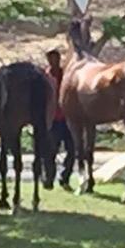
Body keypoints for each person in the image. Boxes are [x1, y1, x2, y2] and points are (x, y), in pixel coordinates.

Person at [45, 48, 74, 189]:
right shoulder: (44, 77)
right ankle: (49, 179)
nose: (54, 61)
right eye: (51, 58)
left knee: (72, 150)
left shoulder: (66, 76)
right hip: (52, 120)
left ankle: (65, 177)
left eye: (56, 58)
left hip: (67, 119)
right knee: (50, 151)